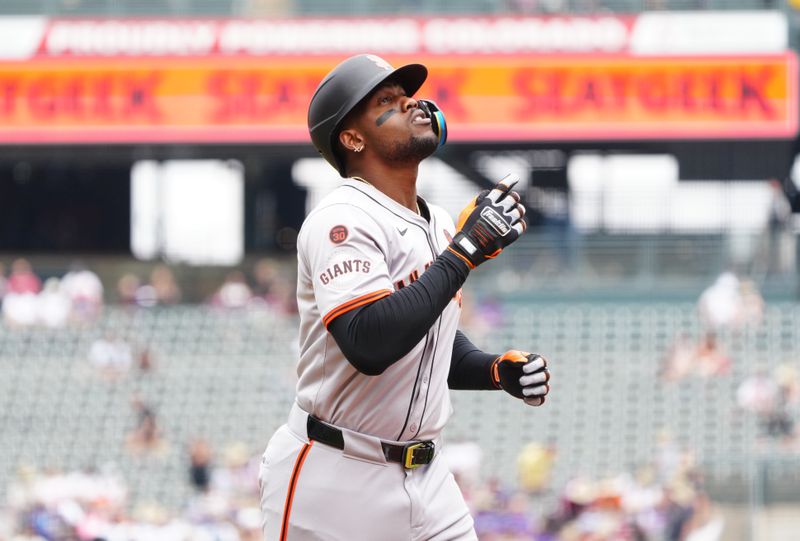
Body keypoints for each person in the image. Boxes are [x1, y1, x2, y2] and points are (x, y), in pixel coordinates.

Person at [258, 54, 552, 541]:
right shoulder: (343, 218)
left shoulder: (435, 221)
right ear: (353, 138)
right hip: (336, 475)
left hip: (428, 477)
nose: (412, 103)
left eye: (409, 95)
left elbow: (427, 339)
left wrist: (494, 370)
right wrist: (466, 251)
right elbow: (370, 342)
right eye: (388, 102)